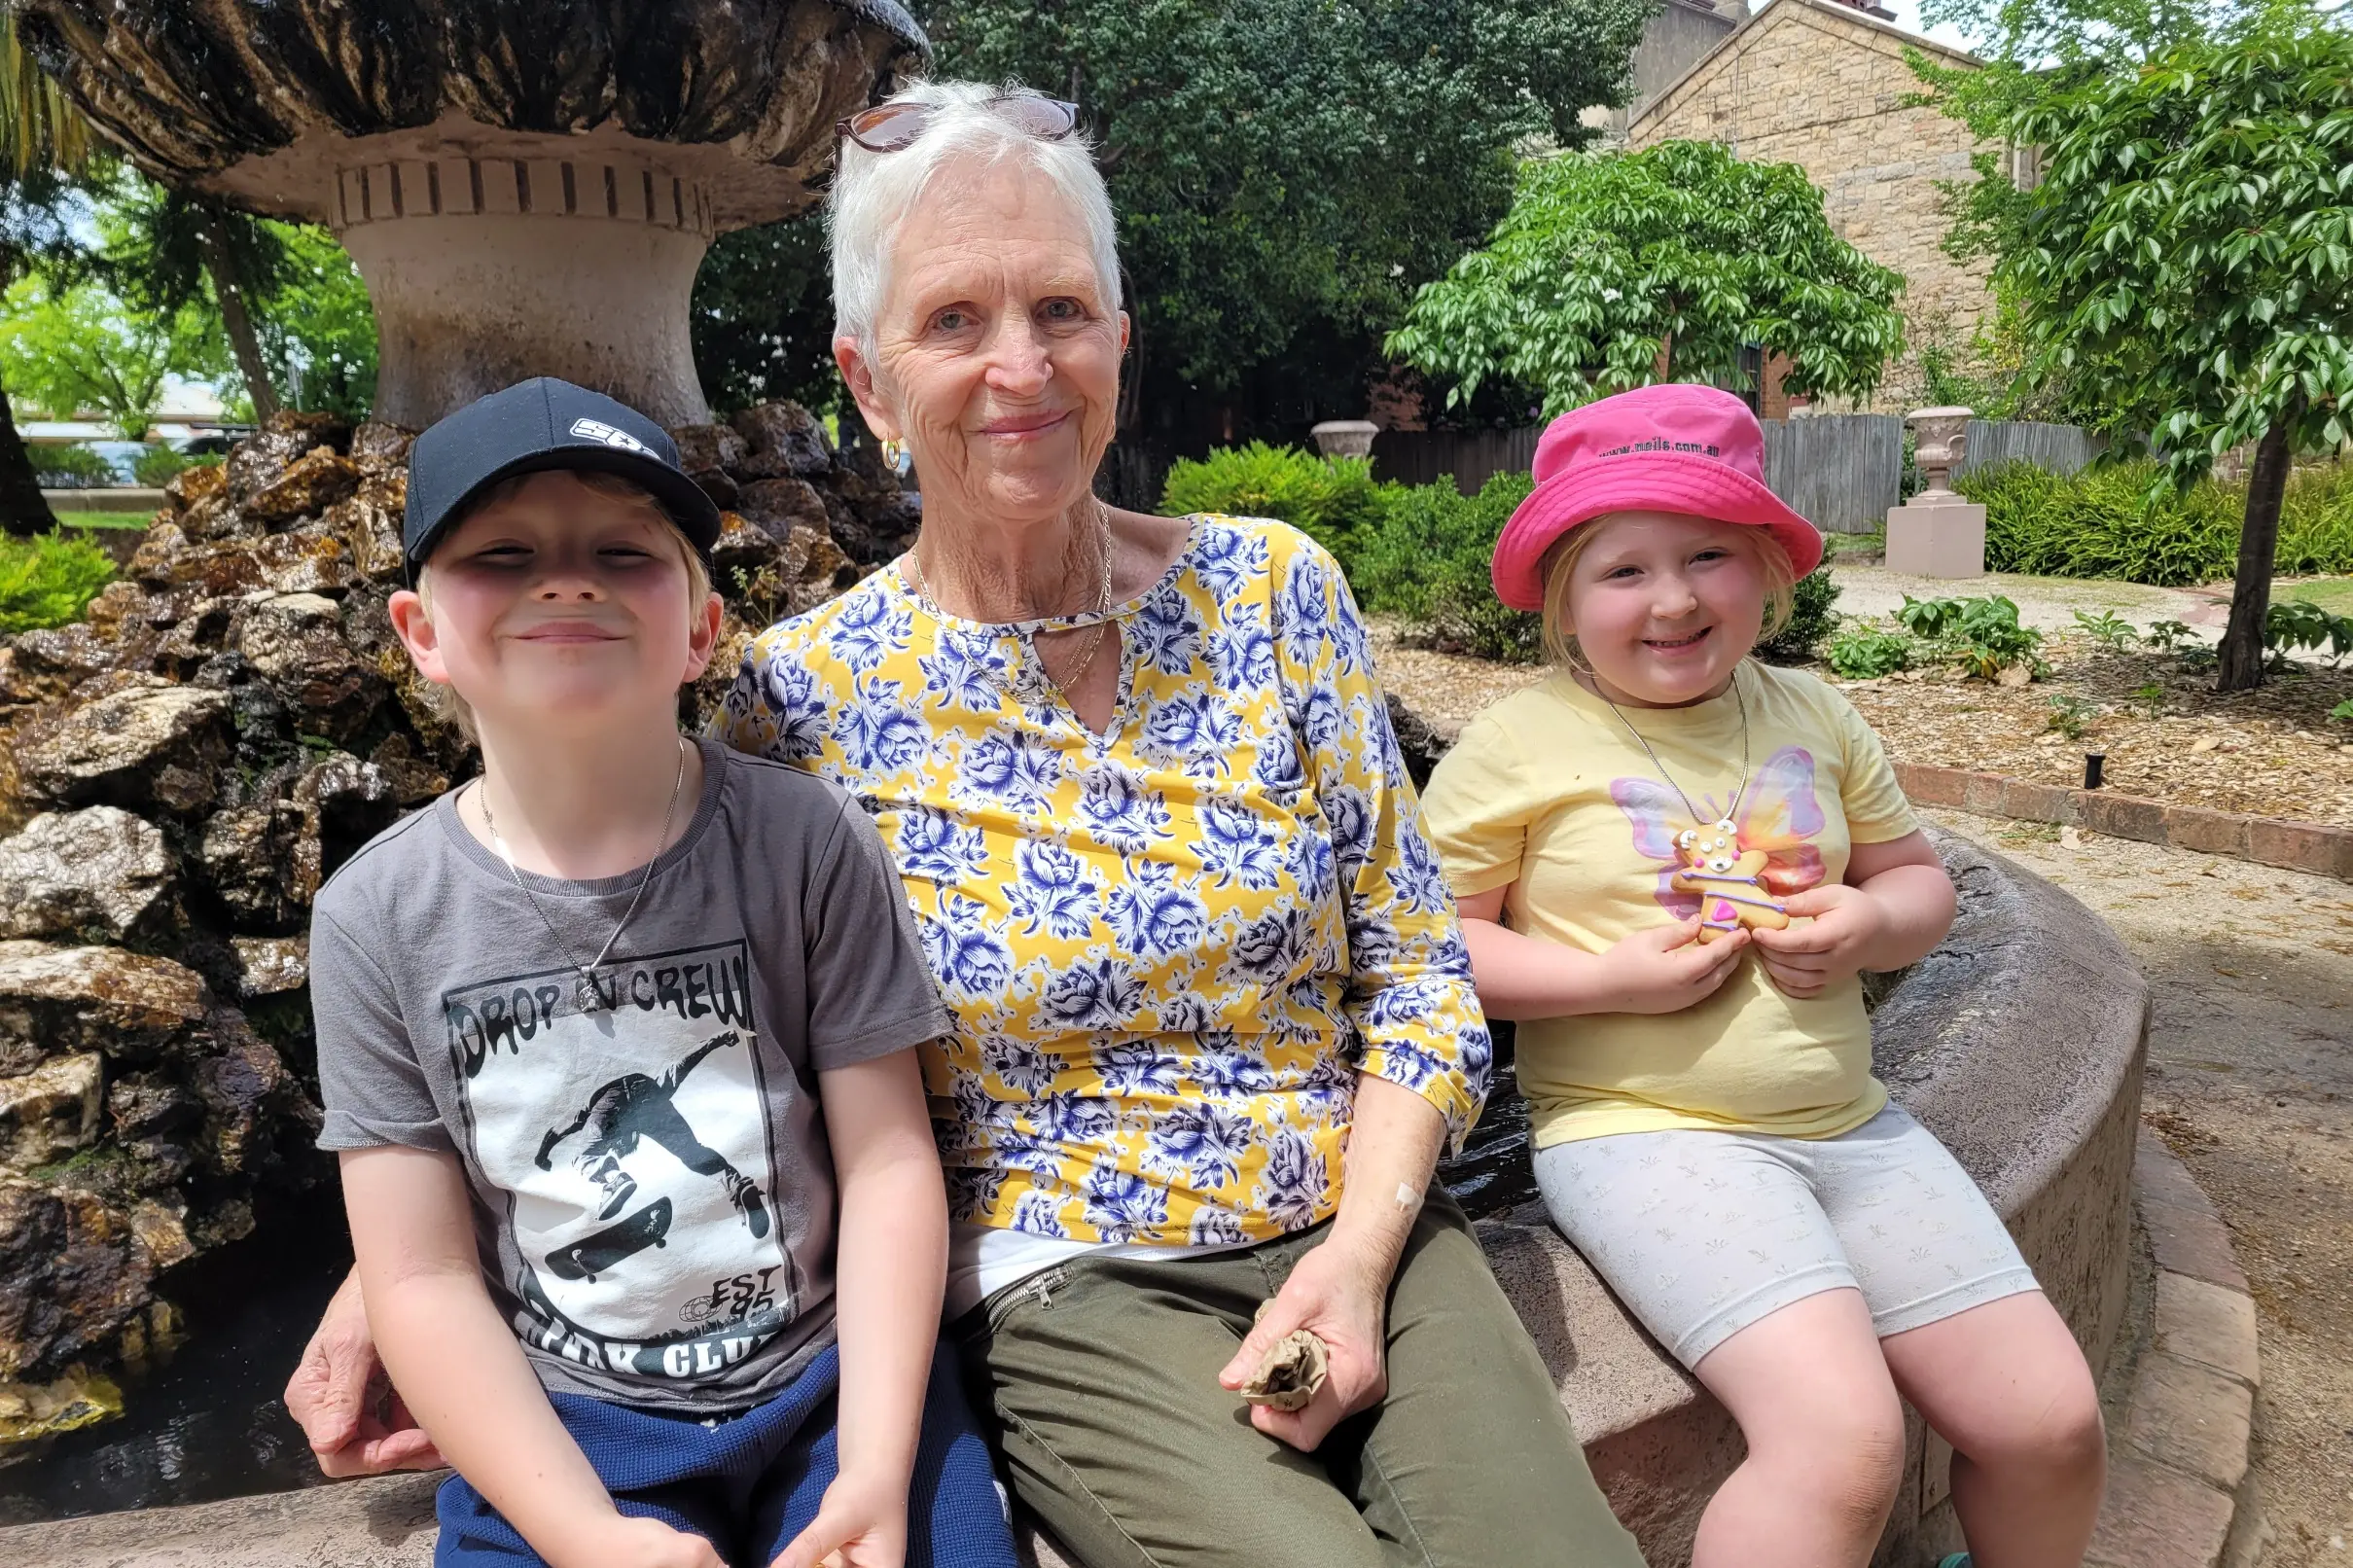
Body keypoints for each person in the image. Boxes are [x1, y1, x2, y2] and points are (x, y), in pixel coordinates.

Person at [288, 82, 1646, 1568]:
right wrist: (397, 1262)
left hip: (1356, 1210)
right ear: (865, 383)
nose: (1021, 366)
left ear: (1119, 345)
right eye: (953, 323)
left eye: (1060, 306)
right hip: (1055, 1272)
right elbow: (589, 953)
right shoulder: (789, 700)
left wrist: (1362, 1248)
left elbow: (1415, 971)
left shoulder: (1274, 590)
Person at [308, 376, 1020, 1568]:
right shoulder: (374, 916)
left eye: (622, 549)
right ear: (420, 633)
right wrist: (583, 1534)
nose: (567, 577)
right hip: (564, 1423)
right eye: (503, 551)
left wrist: (876, 1468)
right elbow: (421, 1275)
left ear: (702, 627)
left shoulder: (804, 841)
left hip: (832, 1385)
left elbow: (890, 1160)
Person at [1418, 383, 2109, 1568]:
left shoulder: (1815, 713)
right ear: (1564, 598)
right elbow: (1436, 954)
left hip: (1851, 1125)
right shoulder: (1513, 746)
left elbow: (1918, 889)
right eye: (1623, 570)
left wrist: (1862, 922)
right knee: (1839, 1445)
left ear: (1766, 573)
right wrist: (1608, 980)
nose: (1674, 598)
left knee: (2050, 1423)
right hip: (1644, 1134)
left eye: (1708, 557)